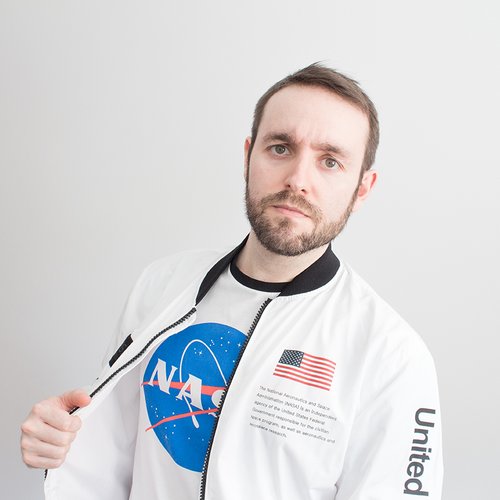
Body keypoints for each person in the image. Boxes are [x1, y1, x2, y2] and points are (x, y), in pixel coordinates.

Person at [20, 63, 443, 499]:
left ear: (362, 189)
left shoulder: (391, 355)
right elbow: (109, 458)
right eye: (280, 148)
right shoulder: (162, 284)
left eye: (330, 161)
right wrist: (61, 443)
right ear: (248, 157)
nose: (298, 180)